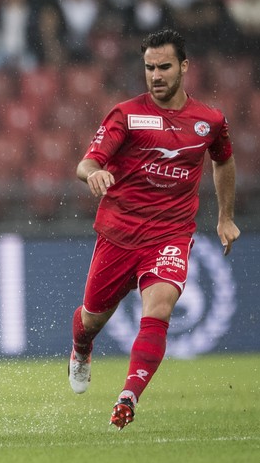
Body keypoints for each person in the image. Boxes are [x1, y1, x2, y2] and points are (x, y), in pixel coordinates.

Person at [68, 29, 239, 429]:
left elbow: (224, 161)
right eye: (149, 67)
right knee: (92, 319)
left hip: (170, 234)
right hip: (118, 234)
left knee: (160, 308)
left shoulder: (209, 121)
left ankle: (129, 395)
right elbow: (86, 163)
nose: (156, 75)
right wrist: (93, 175)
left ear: (184, 67)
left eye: (164, 67)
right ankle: (80, 348)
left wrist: (226, 217)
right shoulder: (127, 114)